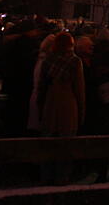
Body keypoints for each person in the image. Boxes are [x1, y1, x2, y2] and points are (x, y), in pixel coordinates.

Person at [38, 32, 85, 185]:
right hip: (68, 105)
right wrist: (81, 111)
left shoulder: (48, 60)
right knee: (66, 143)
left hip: (50, 104)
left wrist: (41, 106)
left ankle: (46, 175)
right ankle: (62, 177)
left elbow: (41, 86)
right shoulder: (74, 61)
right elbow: (79, 88)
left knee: (48, 141)